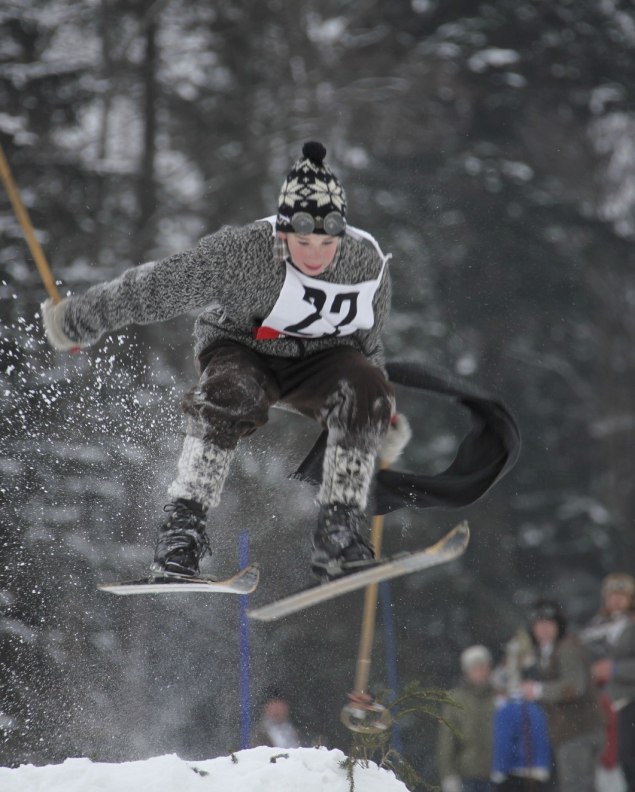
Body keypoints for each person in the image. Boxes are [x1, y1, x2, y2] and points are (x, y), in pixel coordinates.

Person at [42, 141, 408, 581]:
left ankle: (339, 532)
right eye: (302, 240)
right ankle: (182, 532)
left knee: (367, 387)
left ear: (342, 236)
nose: (314, 255)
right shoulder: (244, 254)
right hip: (244, 349)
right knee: (231, 391)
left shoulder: (367, 264)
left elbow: (368, 346)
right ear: (282, 232)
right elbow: (158, 286)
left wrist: (377, 413)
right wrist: (82, 318)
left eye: (327, 243)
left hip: (321, 363)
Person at [520, 599, 603, 792]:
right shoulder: (547, 652)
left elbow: (574, 686)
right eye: (538, 625)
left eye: (548, 624)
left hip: (578, 731)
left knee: (576, 786)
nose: (543, 630)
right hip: (573, 731)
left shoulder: (566, 648)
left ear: (559, 625)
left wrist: (539, 690)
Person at [583, 573, 635, 792]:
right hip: (599, 705)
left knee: (627, 758)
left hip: (629, 702)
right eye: (612, 595)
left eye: (622, 595)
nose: (617, 600)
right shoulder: (593, 628)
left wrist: (614, 669)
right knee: (600, 760)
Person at [437, 645, 497, 792]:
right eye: (475, 668)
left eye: (483, 666)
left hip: (497, 773)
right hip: (467, 775)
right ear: (467, 671)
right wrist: (448, 775)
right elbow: (447, 741)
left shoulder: (499, 696)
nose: (481, 672)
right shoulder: (455, 700)